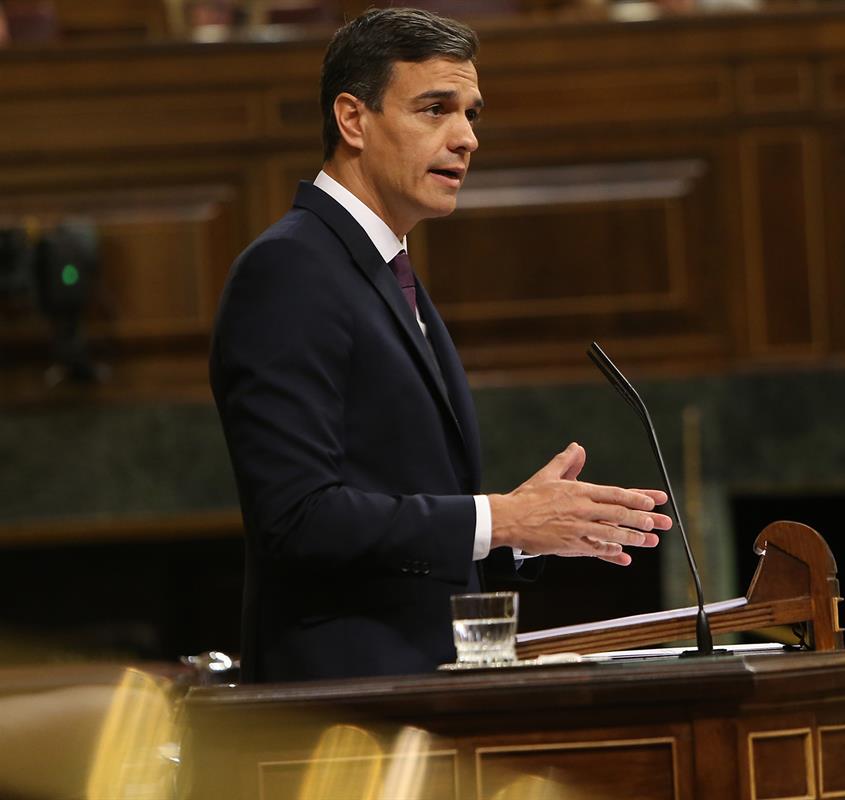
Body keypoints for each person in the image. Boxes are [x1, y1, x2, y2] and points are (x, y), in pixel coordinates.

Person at [210, 8, 673, 683]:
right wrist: (500, 518)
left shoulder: (381, 271)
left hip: (413, 695)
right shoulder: (289, 270)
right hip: (337, 716)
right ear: (353, 120)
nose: (465, 139)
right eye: (435, 109)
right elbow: (297, 519)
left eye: (472, 114)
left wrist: (518, 533)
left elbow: (397, 515)